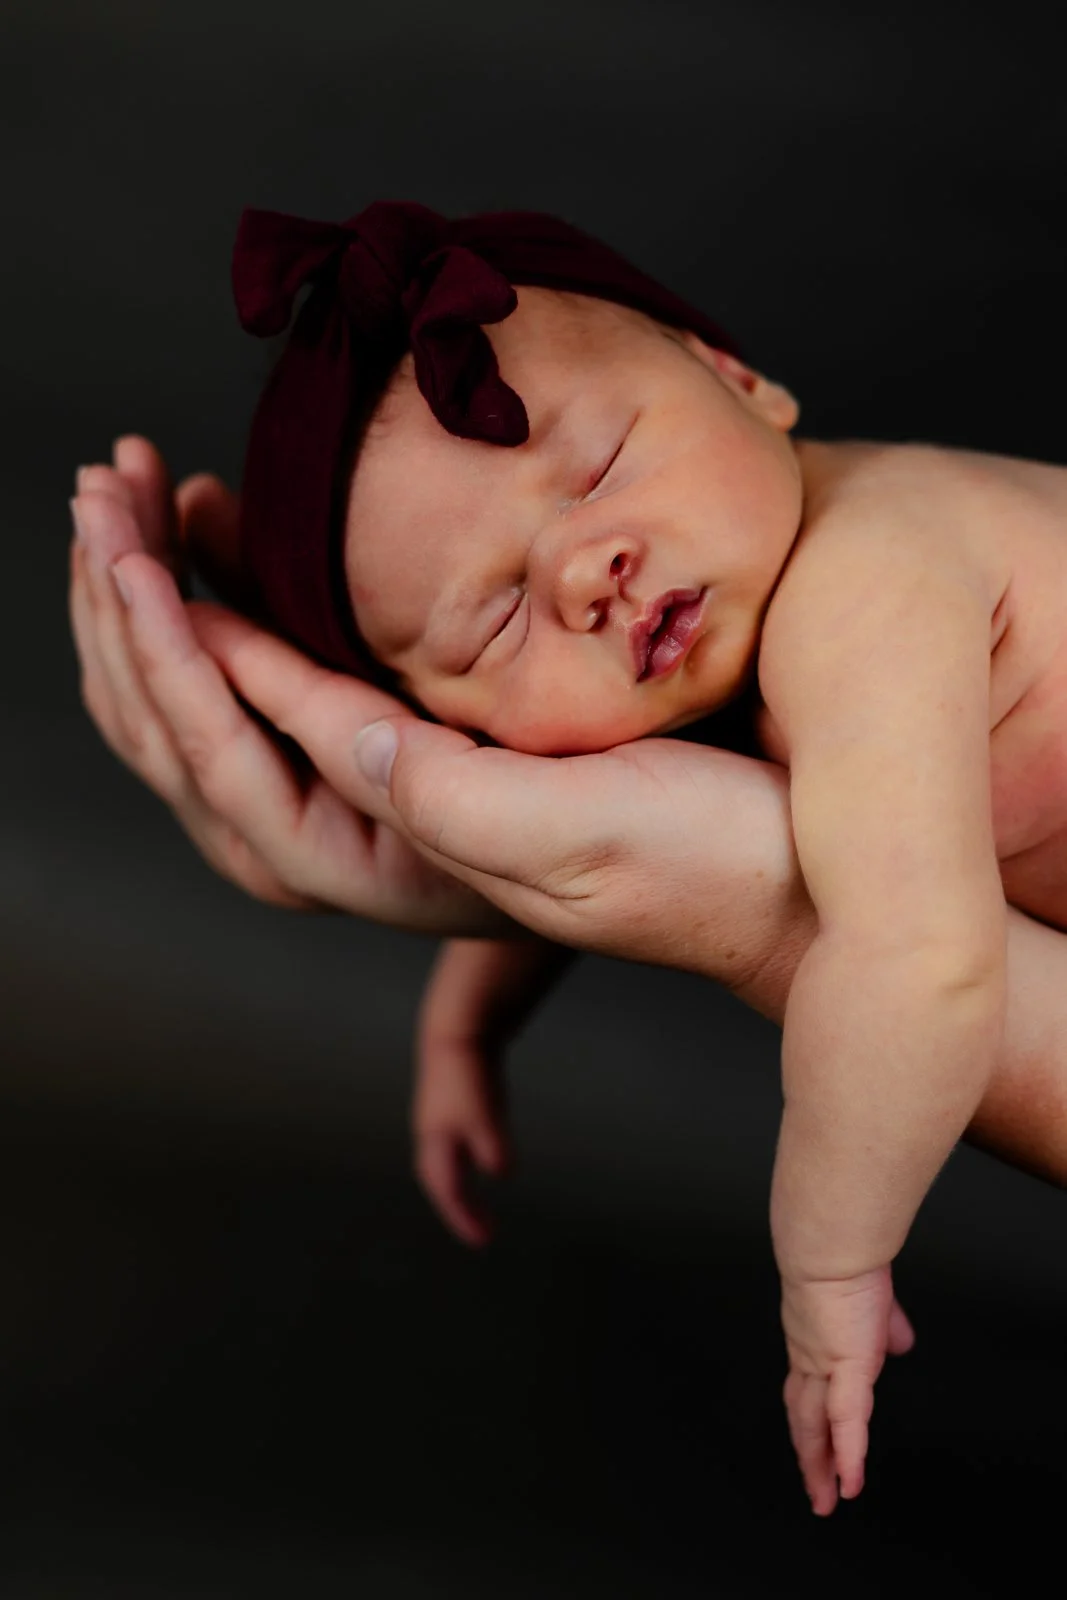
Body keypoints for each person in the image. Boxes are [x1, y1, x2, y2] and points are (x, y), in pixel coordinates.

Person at [205, 201, 1067, 1514]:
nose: (584, 574)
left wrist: (830, 1257)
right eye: (496, 620)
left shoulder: (866, 587)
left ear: (739, 378)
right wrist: (468, 1017)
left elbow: (920, 961)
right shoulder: (744, 630)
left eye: (601, 465)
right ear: (458, 727)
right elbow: (583, 832)